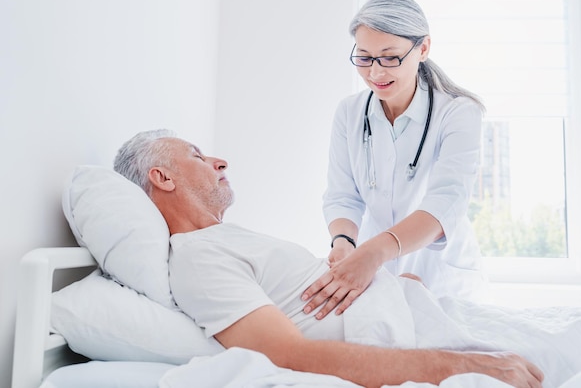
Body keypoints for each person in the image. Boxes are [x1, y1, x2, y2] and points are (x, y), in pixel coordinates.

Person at [113, 129, 543, 388]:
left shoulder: (224, 240)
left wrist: (398, 288)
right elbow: (288, 355)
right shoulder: (197, 259)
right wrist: (461, 366)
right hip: (426, 346)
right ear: (161, 177)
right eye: (196, 155)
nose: (219, 161)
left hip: (423, 313)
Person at [304, 0, 487, 319]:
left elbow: (444, 204)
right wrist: (344, 242)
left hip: (439, 271)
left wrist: (372, 253)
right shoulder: (349, 112)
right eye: (364, 57)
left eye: (390, 58)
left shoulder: (459, 113)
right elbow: (343, 195)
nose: (375, 73)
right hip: (375, 269)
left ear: (423, 49)